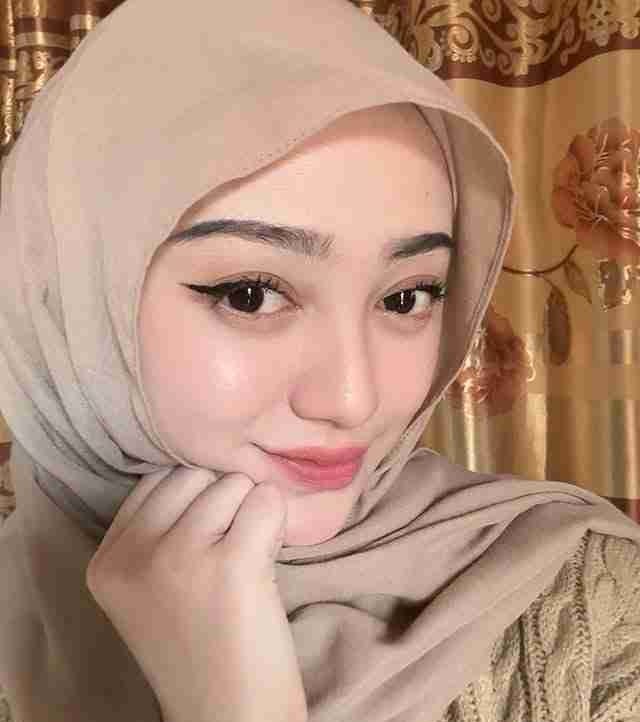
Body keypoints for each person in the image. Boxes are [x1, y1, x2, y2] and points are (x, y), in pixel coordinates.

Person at [0, 1, 637, 721]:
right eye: (249, 295)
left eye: (405, 298)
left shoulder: (601, 611)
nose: (352, 399)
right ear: (69, 302)